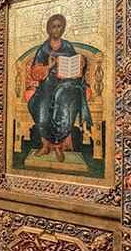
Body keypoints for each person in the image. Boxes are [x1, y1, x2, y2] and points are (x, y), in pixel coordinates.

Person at [24, 14, 92, 163]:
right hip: (46, 87)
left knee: (65, 106)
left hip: (65, 85)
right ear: (49, 29)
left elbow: (76, 66)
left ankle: (58, 146)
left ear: (63, 28)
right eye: (53, 26)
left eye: (59, 26)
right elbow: (34, 73)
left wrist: (80, 64)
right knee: (40, 107)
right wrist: (49, 66)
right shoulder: (43, 49)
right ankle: (46, 145)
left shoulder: (67, 46)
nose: (57, 29)